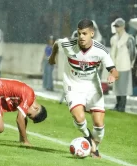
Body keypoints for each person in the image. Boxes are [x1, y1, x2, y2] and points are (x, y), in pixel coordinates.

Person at [49, 19, 119, 158]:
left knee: (98, 123)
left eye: (85, 33)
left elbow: (114, 70)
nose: (81, 36)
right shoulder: (69, 45)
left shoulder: (100, 50)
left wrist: (112, 76)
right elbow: (57, 43)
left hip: (92, 87)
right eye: (80, 33)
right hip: (72, 85)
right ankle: (87, 137)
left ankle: (95, 146)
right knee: (79, 117)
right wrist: (52, 57)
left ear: (92, 34)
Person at [110, 18, 136, 112]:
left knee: (123, 86)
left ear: (123, 26)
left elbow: (133, 53)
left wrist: (131, 64)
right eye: (116, 26)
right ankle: (118, 104)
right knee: (117, 86)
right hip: (116, 65)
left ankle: (122, 106)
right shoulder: (113, 39)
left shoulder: (129, 38)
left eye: (118, 26)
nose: (117, 28)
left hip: (125, 65)